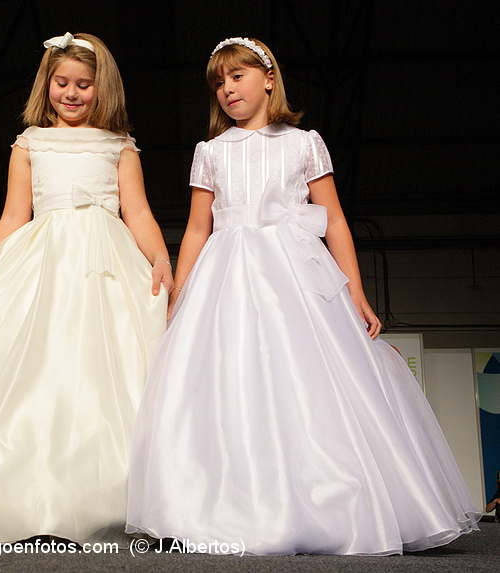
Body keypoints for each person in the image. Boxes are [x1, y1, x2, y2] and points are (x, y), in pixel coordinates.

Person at [126, 37, 481, 555]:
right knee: (229, 381)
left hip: (295, 275)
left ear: (269, 78)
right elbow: (199, 228)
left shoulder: (304, 143)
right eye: (219, 83)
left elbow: (333, 218)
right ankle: (228, 505)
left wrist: (354, 289)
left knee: (310, 382)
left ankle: (327, 502)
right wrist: (180, 294)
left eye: (238, 76)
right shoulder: (211, 152)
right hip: (226, 278)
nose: (228, 89)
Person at [0, 32, 171, 544]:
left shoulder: (120, 146)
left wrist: (160, 257)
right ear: (48, 84)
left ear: (101, 88)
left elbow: (140, 212)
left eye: (84, 84)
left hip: (105, 261)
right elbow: (14, 215)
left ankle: (113, 499)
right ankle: (29, 498)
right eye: (62, 82)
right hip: (42, 260)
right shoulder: (30, 143)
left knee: (106, 370)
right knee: (39, 368)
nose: (72, 93)